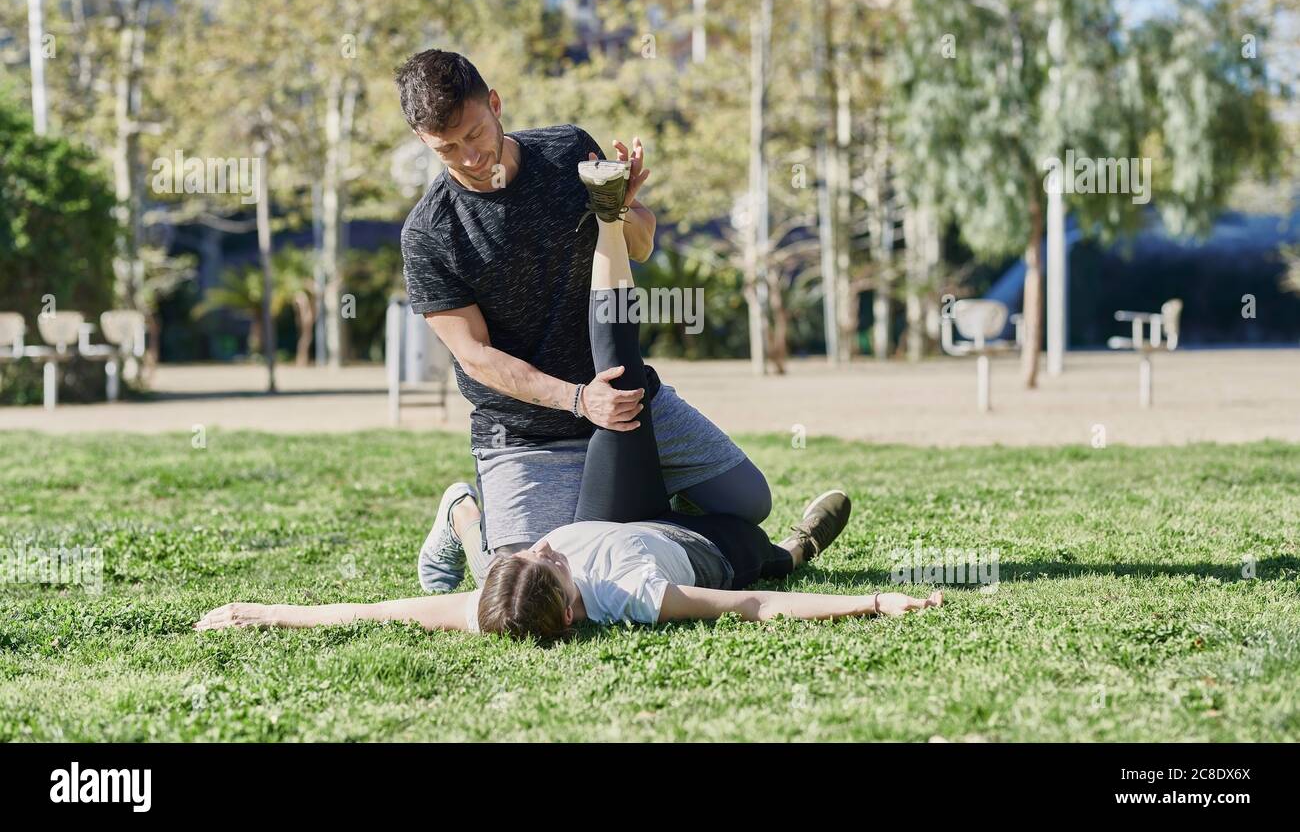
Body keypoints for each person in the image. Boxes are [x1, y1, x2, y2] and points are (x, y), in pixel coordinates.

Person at [195, 161, 943, 641]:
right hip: (709, 545)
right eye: (550, 560)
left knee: (614, 381)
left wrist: (261, 613)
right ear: (577, 606)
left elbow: (377, 612)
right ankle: (798, 547)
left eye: (533, 554)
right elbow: (752, 608)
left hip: (620, 502)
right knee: (766, 548)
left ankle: (464, 511)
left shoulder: (499, 597)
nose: (551, 544)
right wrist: (874, 603)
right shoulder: (640, 592)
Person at [393, 49, 772, 594]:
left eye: (475, 133)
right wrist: (577, 399)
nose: (469, 156)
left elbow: (638, 245)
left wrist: (619, 210)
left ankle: (645, 508)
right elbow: (475, 356)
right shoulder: (429, 234)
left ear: (495, 104)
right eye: (446, 148)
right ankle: (463, 517)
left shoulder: (568, 149)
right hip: (525, 433)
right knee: (521, 579)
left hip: (626, 399)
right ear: (423, 142)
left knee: (749, 502)